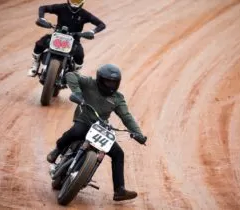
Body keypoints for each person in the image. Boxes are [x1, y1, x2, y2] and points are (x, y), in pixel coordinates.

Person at [47, 64, 147, 201]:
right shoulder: (89, 83)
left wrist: (138, 134)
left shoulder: (118, 98)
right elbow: (70, 75)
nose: (111, 85)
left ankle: (119, 190)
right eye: (108, 81)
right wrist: (77, 92)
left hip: (100, 127)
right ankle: (56, 151)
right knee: (76, 131)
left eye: (114, 82)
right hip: (84, 119)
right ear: (100, 79)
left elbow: (126, 117)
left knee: (118, 153)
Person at [27, 0, 106, 77]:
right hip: (57, 36)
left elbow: (101, 24)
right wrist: (42, 18)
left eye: (77, 1)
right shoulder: (61, 7)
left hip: (73, 39)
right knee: (39, 43)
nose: (75, 3)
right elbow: (43, 8)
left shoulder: (85, 14)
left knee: (80, 54)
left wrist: (92, 32)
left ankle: (75, 72)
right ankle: (35, 64)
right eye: (73, 0)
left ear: (82, 2)